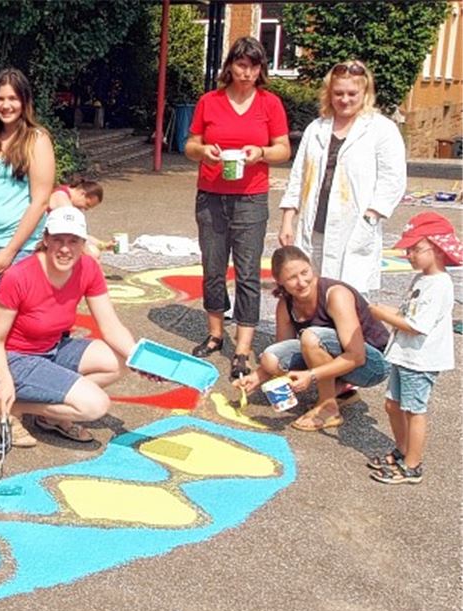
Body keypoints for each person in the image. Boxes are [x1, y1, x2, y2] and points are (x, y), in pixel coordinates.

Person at [0, 206, 141, 447]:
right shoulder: (18, 276)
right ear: (45, 239)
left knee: (122, 360)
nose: (65, 248)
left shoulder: (88, 268)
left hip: (53, 349)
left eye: (73, 241)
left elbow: (111, 326)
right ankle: (10, 406)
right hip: (14, 359)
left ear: (83, 242)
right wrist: (4, 380)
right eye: (58, 240)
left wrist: (141, 360)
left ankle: (47, 414)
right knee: (95, 405)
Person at [184, 37, 290, 379]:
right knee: (213, 267)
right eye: (241, 65)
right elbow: (190, 144)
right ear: (230, 65)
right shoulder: (209, 101)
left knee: (247, 272)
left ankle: (243, 347)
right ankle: (215, 334)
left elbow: (283, 149)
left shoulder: (269, 103)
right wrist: (203, 152)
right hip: (211, 195)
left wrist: (260, 153)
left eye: (254, 66)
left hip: (251, 196)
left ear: (261, 70)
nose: (247, 73)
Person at [279, 60, 406, 298]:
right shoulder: (316, 128)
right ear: (329, 93)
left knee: (350, 297)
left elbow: (393, 180)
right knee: (313, 292)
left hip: (355, 226)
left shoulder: (381, 130)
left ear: (365, 93)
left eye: (351, 93)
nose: (344, 99)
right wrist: (288, 219)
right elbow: (298, 175)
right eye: (338, 93)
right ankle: (315, 335)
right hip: (315, 225)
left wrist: (371, 216)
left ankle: (349, 336)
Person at [233, 246, 389, 431]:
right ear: (280, 281)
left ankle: (328, 408)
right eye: (292, 278)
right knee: (271, 358)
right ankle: (340, 389)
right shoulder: (286, 305)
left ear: (311, 267)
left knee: (311, 337)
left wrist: (311, 375)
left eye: (305, 272)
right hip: (339, 359)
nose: (301, 282)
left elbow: (357, 356)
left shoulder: (335, 294)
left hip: (372, 364)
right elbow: (285, 353)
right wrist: (257, 377)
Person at [366, 212, 460, 484]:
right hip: (405, 355)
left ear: (438, 249)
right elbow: (409, 312)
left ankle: (413, 465)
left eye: (416, 249)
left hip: (421, 360)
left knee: (413, 410)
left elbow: (417, 325)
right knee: (392, 404)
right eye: (408, 250)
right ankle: (403, 449)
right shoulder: (422, 279)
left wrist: (383, 315)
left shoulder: (440, 285)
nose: (409, 255)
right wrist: (386, 310)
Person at [0, 68, 55, 311]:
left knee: (4, 311)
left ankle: (7, 351)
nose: (6, 105)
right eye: (0, 98)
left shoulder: (36, 140)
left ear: (24, 101)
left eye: (13, 98)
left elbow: (40, 201)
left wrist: (10, 250)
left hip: (13, 243)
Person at [48, 172, 105, 257]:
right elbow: (74, 232)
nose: (86, 209)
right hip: (47, 240)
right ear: (82, 193)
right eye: (87, 205)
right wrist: (91, 258)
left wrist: (103, 245)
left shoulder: (70, 201)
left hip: (57, 238)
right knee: (93, 253)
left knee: (94, 251)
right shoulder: (62, 199)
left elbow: (81, 234)